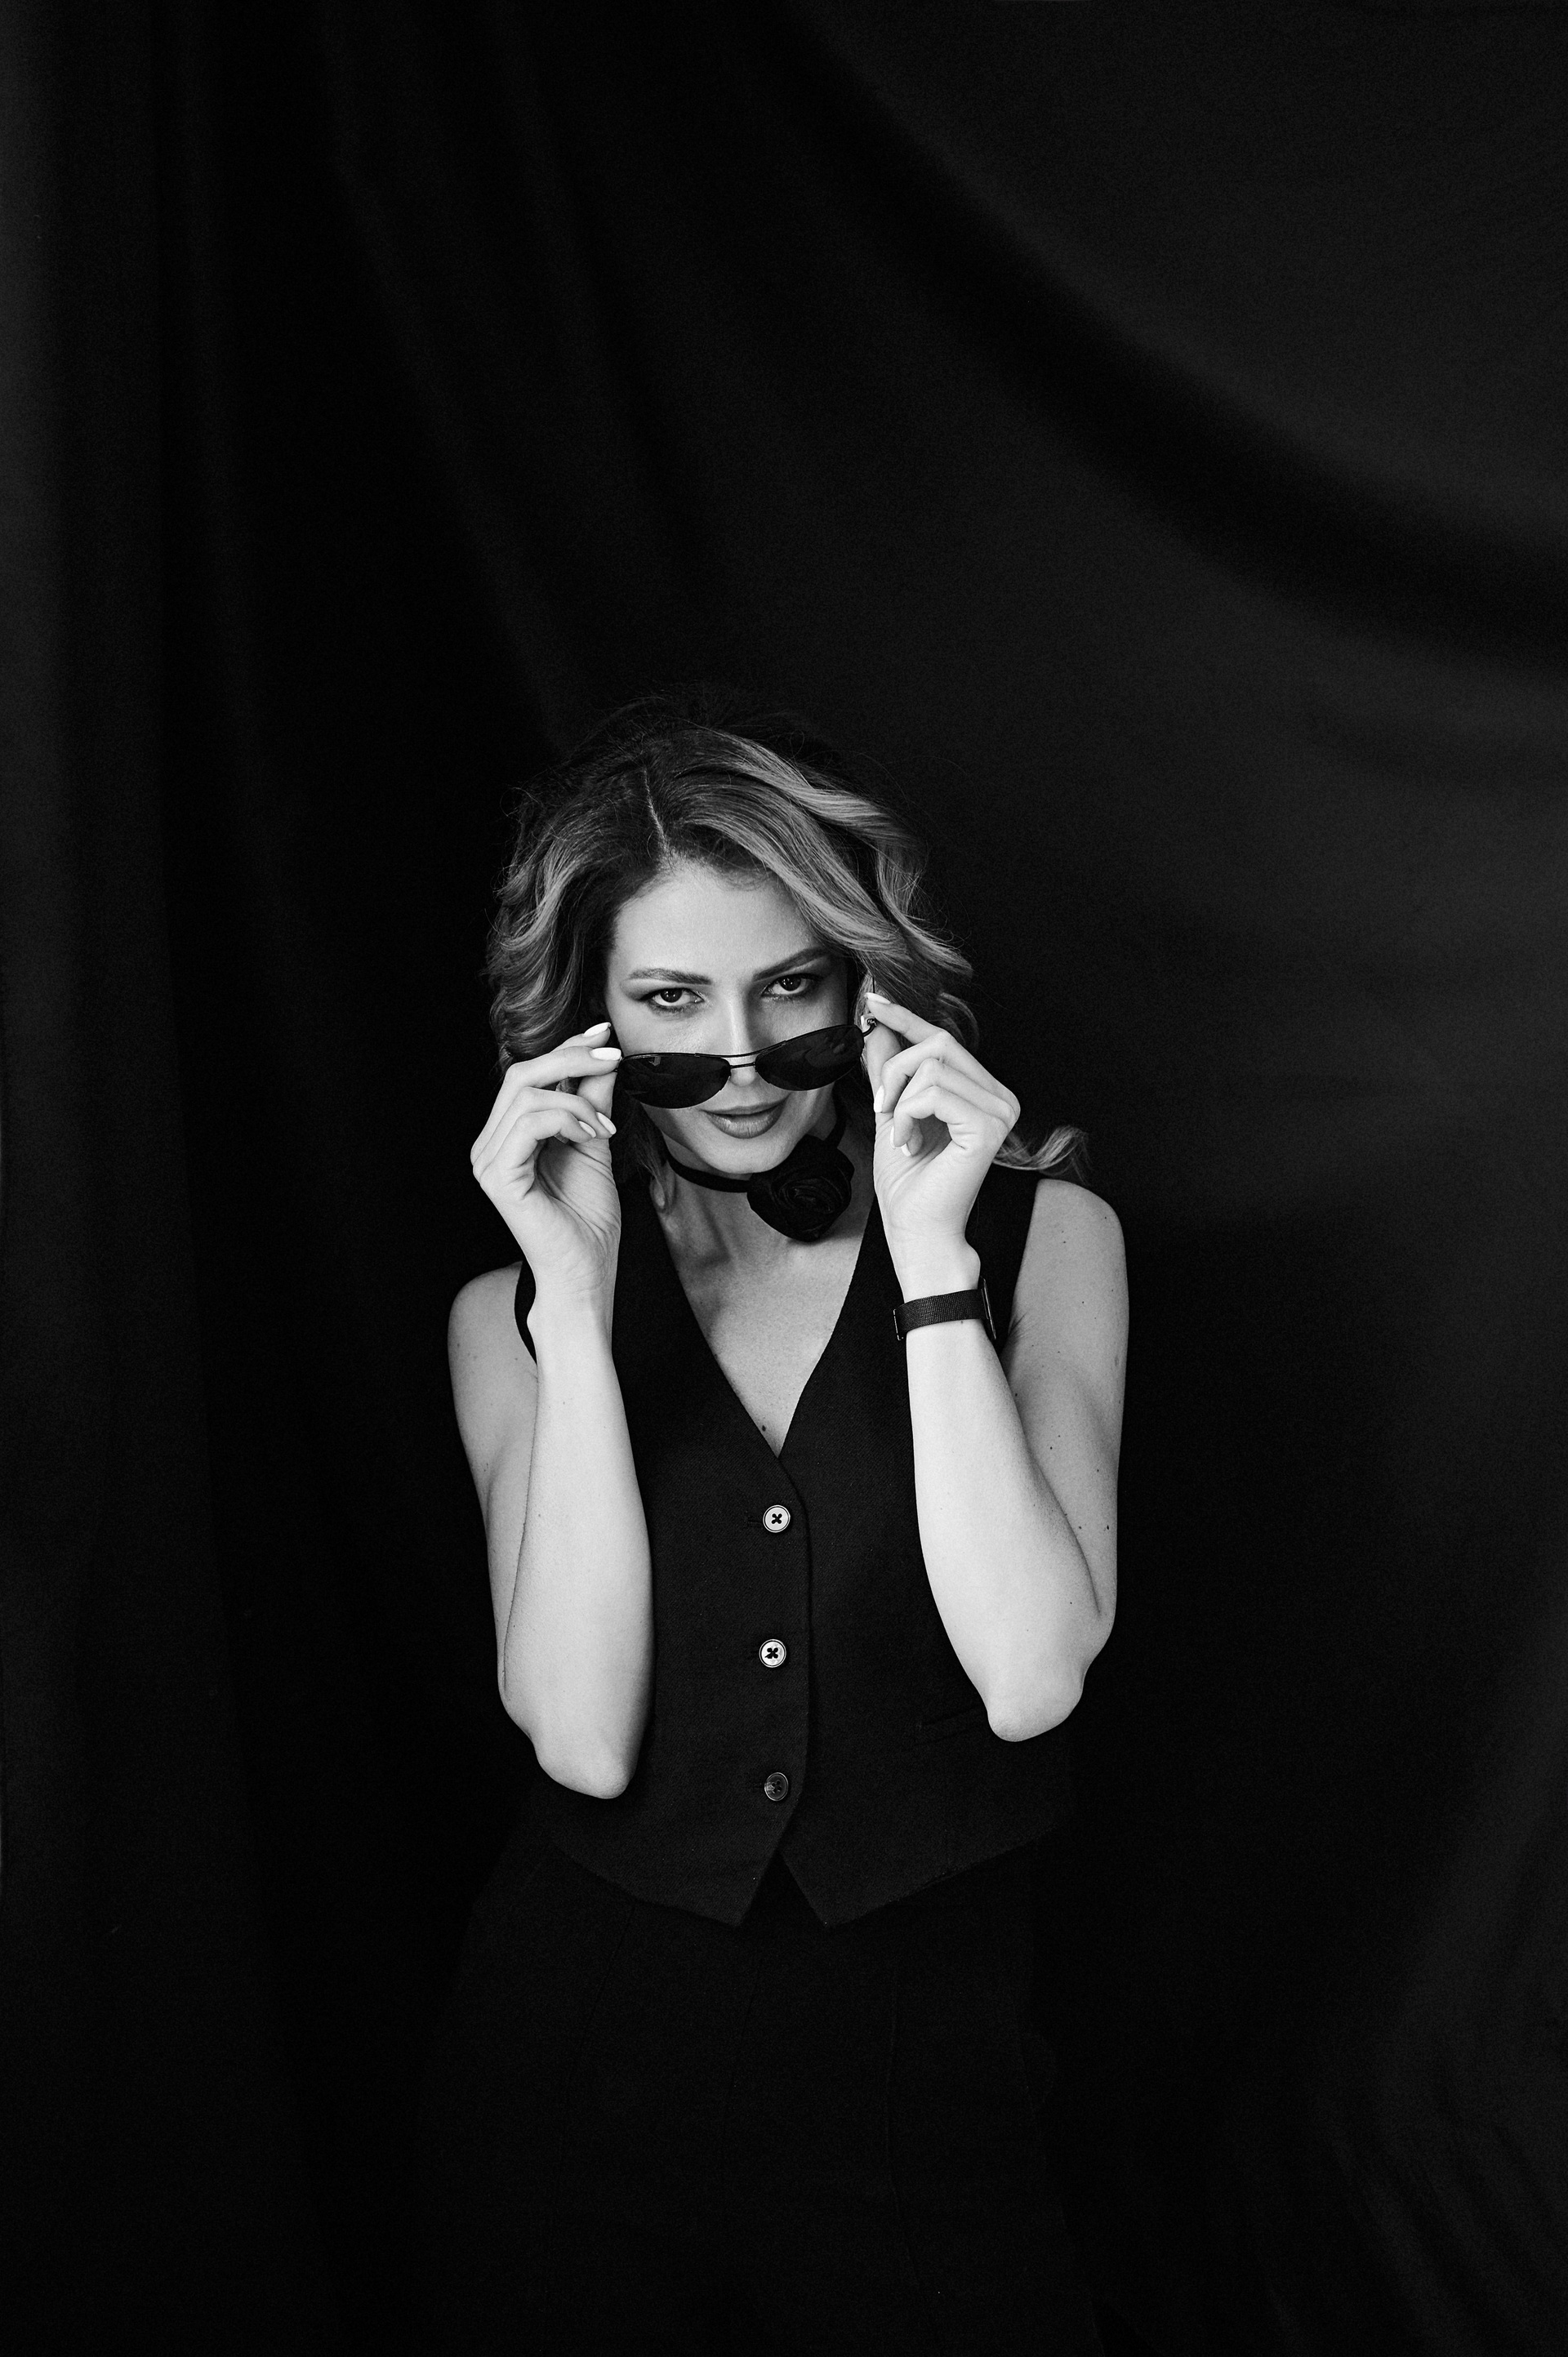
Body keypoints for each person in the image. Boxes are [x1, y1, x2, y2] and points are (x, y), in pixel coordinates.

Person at [423, 696, 1128, 2355]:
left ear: (862, 982)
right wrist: (574, 1309)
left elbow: (1032, 1674)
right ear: (587, 1019)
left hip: (924, 2085)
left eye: (790, 987)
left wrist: (934, 1264)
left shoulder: (1047, 1237)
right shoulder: (505, 1316)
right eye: (672, 999)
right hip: (574, 2078)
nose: (741, 1060)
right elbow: (581, 1735)